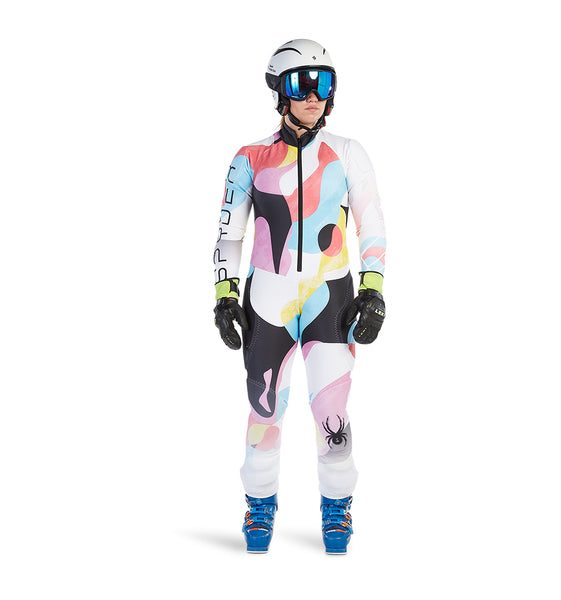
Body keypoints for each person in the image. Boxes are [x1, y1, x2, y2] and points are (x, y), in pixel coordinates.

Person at [213, 39, 387, 554]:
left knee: (332, 413)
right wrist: (224, 296)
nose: (314, 96)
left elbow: (372, 227)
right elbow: (228, 235)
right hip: (266, 302)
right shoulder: (249, 157)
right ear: (278, 91)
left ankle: (337, 506)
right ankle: (259, 504)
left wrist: (373, 290)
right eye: (301, 84)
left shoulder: (348, 153)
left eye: (323, 83)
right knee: (264, 411)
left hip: (330, 300)